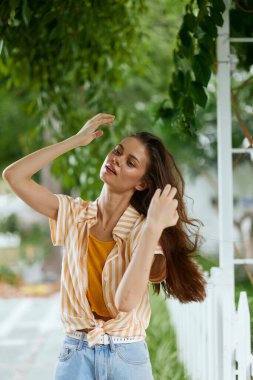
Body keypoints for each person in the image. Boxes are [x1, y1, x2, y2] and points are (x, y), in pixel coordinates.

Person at [2, 113, 207, 380]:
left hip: (127, 358)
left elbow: (126, 301)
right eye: (117, 151)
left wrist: (154, 226)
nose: (116, 160)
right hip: (76, 353)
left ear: (142, 183)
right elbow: (14, 176)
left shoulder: (145, 229)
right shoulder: (75, 215)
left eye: (130, 162)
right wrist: (74, 141)